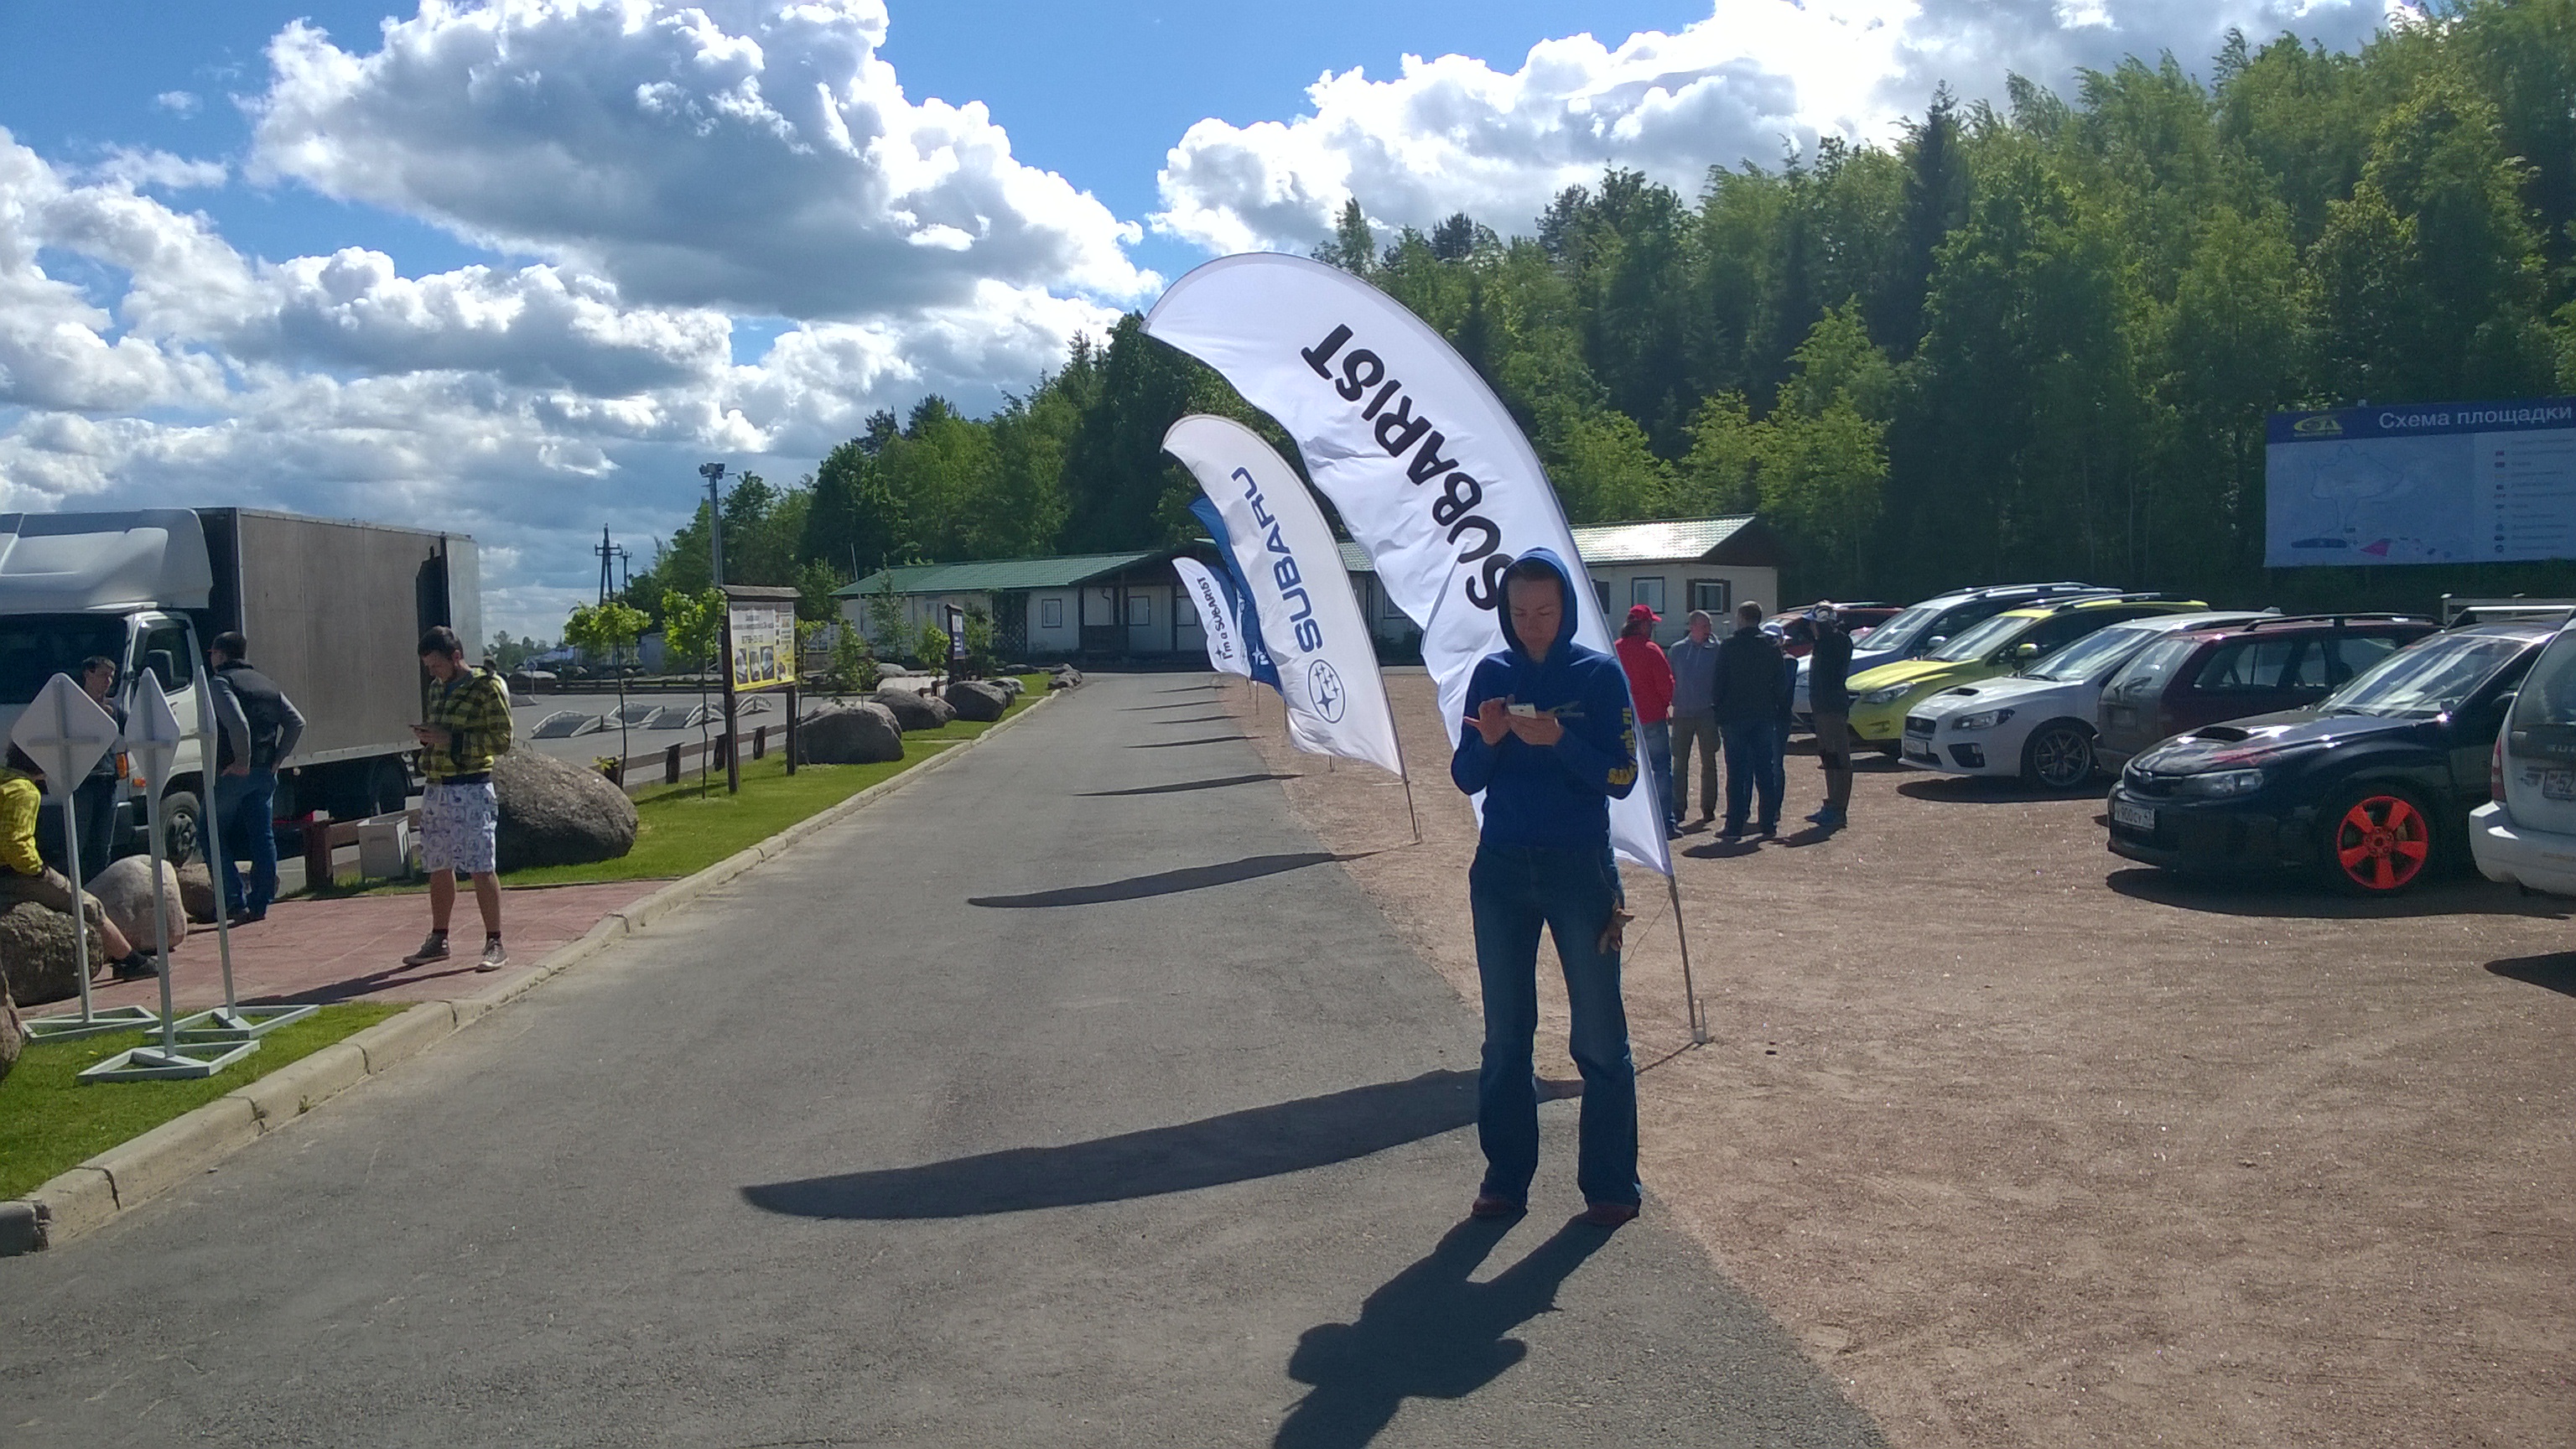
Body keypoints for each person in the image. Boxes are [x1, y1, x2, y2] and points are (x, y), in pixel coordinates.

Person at [1450, 551, 1643, 1229]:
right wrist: (1490, 741)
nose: (1532, 624)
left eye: (1546, 612)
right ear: (1506, 614)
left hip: (1579, 869)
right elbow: (1465, 777)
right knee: (1506, 1037)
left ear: (1567, 611)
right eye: (1520, 612)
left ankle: (1611, 1184)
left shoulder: (1598, 675)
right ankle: (1505, 1180)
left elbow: (1622, 777)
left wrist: (1560, 738)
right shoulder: (1492, 674)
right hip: (1501, 869)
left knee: (1598, 1034)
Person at [404, 626, 514, 972]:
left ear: (456, 657)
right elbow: (441, 731)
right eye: (428, 667)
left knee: (481, 864)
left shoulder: (486, 687)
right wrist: (429, 739)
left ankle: (495, 941)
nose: (433, 673)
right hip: (437, 786)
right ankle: (439, 938)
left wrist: (451, 739)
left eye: (437, 665)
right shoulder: (437, 689)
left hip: (471, 787)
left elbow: (502, 740)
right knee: (438, 864)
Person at [0, 744, 155, 979]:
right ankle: (131, 961)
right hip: (14, 873)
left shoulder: (4, 779)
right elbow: (15, 844)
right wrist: (38, 870)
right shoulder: (25, 791)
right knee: (88, 905)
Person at [207, 632, 306, 926]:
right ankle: (260, 902)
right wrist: (277, 760)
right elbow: (296, 722)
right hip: (265, 773)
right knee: (263, 837)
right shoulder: (267, 684)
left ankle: (233, 900)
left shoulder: (221, 682)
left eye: (212, 653)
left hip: (236, 773)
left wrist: (241, 761)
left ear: (221, 655)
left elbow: (238, 724)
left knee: (210, 831)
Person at [1708, 601, 1789, 840]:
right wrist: (1773, 704)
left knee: (1737, 771)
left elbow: (1719, 682)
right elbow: (1781, 683)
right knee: (1765, 769)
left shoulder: (1729, 646)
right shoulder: (1770, 647)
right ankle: (1768, 822)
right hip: (1763, 714)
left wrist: (1718, 707)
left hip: (1734, 716)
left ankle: (1735, 824)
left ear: (1741, 618)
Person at [1612, 604, 1678, 838]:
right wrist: (1663, 704)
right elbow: (1666, 687)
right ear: (1641, 625)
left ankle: (1632, 824)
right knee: (1660, 770)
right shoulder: (1651, 650)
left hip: (1623, 720)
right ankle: (1663, 823)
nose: (1651, 628)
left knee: (1626, 770)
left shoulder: (1615, 649)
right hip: (1651, 718)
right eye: (1649, 624)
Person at [70, 656, 125, 882]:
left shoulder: (114, 708)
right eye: (103, 675)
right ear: (87, 674)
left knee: (103, 845)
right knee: (78, 841)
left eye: (111, 677)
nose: (108, 681)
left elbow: (135, 730)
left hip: (108, 781)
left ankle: (99, 889)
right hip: (83, 782)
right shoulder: (71, 705)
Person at [1665, 610, 1722, 828]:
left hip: (1707, 713)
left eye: (1709, 625)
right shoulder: (1677, 650)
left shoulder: (1717, 650)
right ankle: (1678, 808)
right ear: (1692, 627)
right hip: (1682, 713)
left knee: (1709, 761)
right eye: (1704, 625)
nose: (1708, 629)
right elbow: (1669, 678)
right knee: (1680, 762)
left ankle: (1708, 808)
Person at [1802, 607, 1857, 829]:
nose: (1811, 627)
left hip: (1833, 707)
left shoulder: (1836, 642)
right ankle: (1831, 802)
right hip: (1822, 707)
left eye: (1814, 623)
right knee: (1828, 756)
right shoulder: (1823, 643)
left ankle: (1838, 808)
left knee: (1839, 757)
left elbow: (1833, 667)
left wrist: (1825, 632)